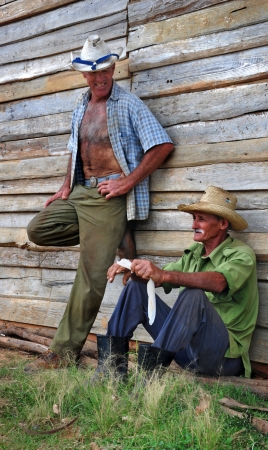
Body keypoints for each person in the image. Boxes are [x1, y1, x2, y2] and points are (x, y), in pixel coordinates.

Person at [24, 35, 174, 373]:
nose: (99, 78)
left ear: (113, 67)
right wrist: (65, 187)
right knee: (37, 228)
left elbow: (162, 145)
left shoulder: (128, 104)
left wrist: (127, 181)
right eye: (93, 74)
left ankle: (62, 355)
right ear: (84, 75)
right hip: (80, 193)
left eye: (104, 70)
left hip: (109, 200)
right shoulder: (81, 105)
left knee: (90, 277)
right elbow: (74, 150)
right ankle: (106, 242)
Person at [98, 186, 259, 379]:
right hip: (186, 353)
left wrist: (164, 276)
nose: (194, 225)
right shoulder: (195, 254)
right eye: (194, 218)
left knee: (193, 294)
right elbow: (161, 276)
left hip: (221, 358)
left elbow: (219, 282)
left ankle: (150, 380)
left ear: (223, 223)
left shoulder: (242, 255)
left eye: (201, 219)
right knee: (136, 288)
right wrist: (133, 267)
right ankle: (110, 372)